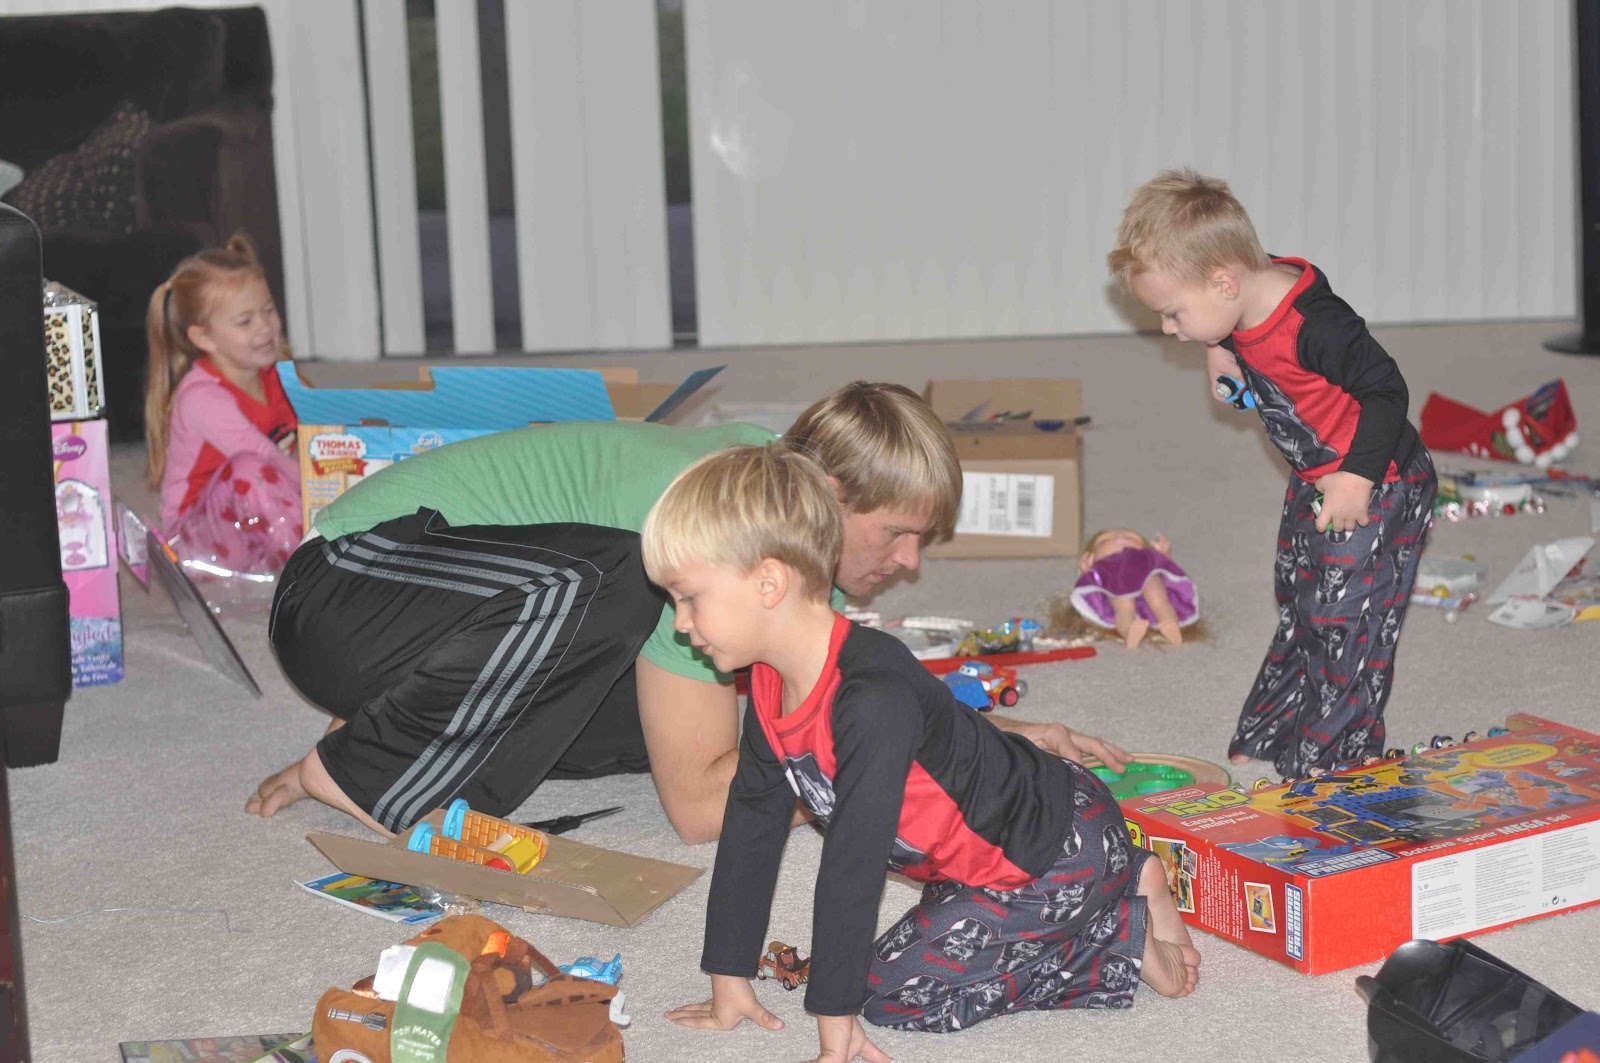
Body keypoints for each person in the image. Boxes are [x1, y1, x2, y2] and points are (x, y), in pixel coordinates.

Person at [251, 381, 1107, 839]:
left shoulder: (789, 553)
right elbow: (698, 813)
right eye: (898, 534)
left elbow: (850, 705)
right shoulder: (722, 529)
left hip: (427, 628)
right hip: (342, 586)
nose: (911, 562)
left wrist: (996, 743)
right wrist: (869, 766)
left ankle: (399, 726)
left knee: (685, 722)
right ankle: (360, 771)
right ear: (830, 494)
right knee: (628, 580)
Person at [647, 445, 1199, 1060]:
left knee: (894, 996)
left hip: (1055, 857)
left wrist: (836, 1021)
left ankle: (1116, 935)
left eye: (689, 597)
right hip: (985, 852)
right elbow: (752, 822)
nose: (680, 623)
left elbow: (853, 866)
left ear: (769, 583)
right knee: (927, 942)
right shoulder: (772, 681)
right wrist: (729, 979)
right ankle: (1130, 875)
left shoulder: (870, 698)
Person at [1108, 168, 1437, 778]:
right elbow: (1234, 308)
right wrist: (1219, 348)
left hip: (1377, 483)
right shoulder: (1243, 287)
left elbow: (1387, 391)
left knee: (1345, 622)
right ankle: (1277, 725)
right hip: (1316, 475)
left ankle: (1335, 762)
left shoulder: (1317, 326)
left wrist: (1356, 479)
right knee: (1298, 597)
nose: (1169, 330)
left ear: (1223, 282)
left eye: (1174, 314)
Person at [145, 234, 300, 577]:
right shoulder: (202, 398)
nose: (265, 327)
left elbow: (309, 441)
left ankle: (300, 553)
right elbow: (266, 456)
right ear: (204, 338)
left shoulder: (277, 375)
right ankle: (311, 564)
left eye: (268, 310)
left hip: (254, 521)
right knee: (251, 470)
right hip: (194, 542)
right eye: (245, 321)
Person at [1069, 528, 1197, 648]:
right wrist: (1086, 572)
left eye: (1131, 537)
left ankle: (1169, 623)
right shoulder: (1103, 569)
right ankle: (1129, 631)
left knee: (1159, 599)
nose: (1120, 538)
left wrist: (1163, 555)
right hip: (1114, 577)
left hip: (1146, 571)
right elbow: (1091, 579)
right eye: (1105, 540)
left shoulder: (1147, 558)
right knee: (1124, 607)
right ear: (1091, 558)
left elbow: (1163, 565)